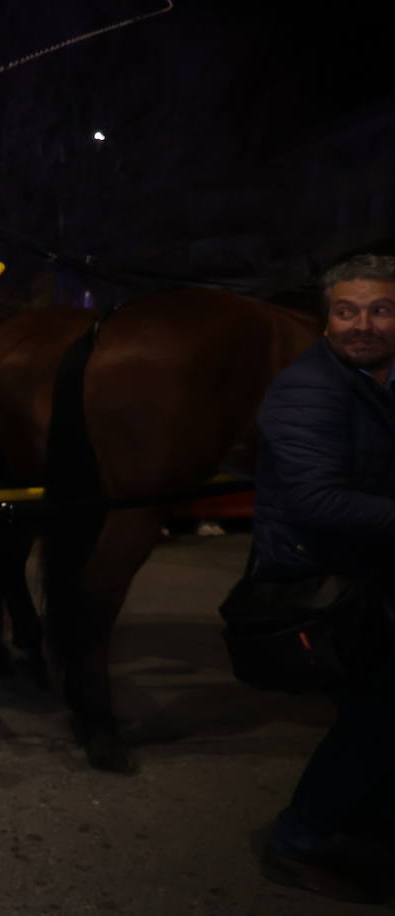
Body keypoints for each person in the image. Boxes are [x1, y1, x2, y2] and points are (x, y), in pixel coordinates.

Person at [251, 253, 395, 904]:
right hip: (319, 578)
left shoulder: (380, 374)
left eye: (381, 309)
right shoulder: (307, 388)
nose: (363, 324)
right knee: (381, 712)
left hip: (369, 562)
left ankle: (356, 820)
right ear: (325, 319)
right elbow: (318, 503)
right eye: (346, 311)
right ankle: (296, 839)